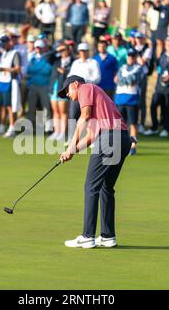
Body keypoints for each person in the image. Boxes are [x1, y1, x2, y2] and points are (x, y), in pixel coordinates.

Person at [58, 75, 131, 249]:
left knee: (91, 186)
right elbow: (91, 137)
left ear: (75, 84)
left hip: (109, 139)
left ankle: (87, 236)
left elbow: (83, 117)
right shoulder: (96, 98)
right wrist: (72, 151)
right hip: (122, 139)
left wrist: (70, 144)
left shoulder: (85, 88)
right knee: (106, 187)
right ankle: (107, 236)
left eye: (67, 90)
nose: (67, 94)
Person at [145, 37, 169, 138]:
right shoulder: (162, 55)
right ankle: (154, 127)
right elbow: (158, 66)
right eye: (168, 44)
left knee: (168, 108)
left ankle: (166, 129)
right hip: (159, 87)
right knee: (153, 105)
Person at [114, 48, 143, 156]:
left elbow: (133, 79)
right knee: (119, 124)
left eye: (132, 56)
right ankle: (119, 144)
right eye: (129, 56)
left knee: (133, 124)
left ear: (135, 57)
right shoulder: (122, 67)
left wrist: (124, 80)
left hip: (132, 99)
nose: (130, 58)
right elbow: (117, 80)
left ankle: (133, 146)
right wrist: (125, 80)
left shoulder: (138, 68)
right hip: (120, 99)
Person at [0, 34, 21, 137]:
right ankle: (1, 126)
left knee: (10, 106)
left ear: (9, 42)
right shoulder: (3, 52)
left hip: (10, 81)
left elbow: (18, 69)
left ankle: (12, 128)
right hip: (0, 81)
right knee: (1, 106)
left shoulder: (15, 53)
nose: (2, 46)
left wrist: (3, 69)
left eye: (4, 44)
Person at [68, 42, 101, 121]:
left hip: (89, 93)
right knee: (73, 115)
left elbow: (97, 78)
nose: (83, 53)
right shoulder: (75, 63)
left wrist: (83, 82)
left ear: (88, 51)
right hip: (76, 92)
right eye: (81, 51)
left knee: (88, 116)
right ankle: (74, 133)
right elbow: (69, 75)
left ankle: (88, 133)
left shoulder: (94, 62)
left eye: (84, 51)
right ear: (79, 52)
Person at [26, 39, 52, 133]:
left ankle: (48, 128)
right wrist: (38, 70)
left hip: (44, 86)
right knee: (31, 107)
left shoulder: (47, 58)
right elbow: (29, 70)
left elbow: (47, 70)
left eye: (40, 47)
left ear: (44, 48)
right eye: (37, 47)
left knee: (46, 107)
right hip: (33, 85)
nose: (38, 49)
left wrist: (35, 70)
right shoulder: (32, 58)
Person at [49, 42, 72, 141]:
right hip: (54, 88)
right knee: (55, 111)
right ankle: (56, 131)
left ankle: (63, 133)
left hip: (63, 88)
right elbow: (47, 57)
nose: (63, 52)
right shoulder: (57, 60)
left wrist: (65, 72)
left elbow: (72, 73)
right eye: (61, 51)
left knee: (63, 111)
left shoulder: (72, 61)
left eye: (64, 50)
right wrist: (57, 50)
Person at [133, 32, 152, 134]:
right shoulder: (133, 48)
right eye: (137, 38)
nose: (139, 40)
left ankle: (142, 124)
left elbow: (141, 62)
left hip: (142, 76)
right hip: (134, 76)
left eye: (140, 38)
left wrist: (134, 54)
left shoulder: (147, 49)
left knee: (142, 100)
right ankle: (133, 123)